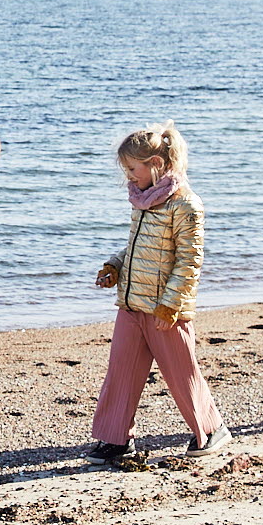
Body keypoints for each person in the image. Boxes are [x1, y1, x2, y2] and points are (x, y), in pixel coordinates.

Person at [90, 122, 229, 462]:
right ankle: (117, 439)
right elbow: (137, 249)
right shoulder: (142, 201)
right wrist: (115, 266)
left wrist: (171, 305)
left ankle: (210, 429)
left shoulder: (186, 205)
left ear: (155, 163)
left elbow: (189, 262)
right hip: (132, 304)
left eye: (132, 169)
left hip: (167, 311)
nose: (128, 176)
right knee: (121, 370)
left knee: (181, 373)